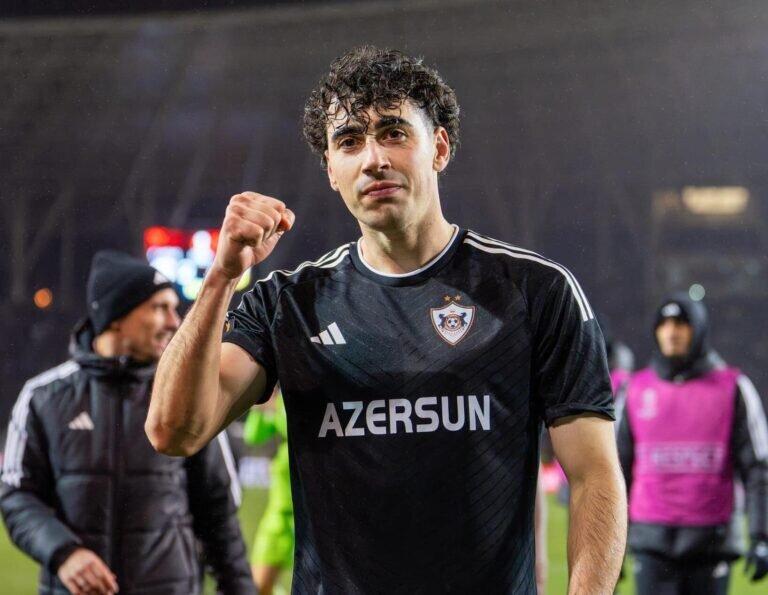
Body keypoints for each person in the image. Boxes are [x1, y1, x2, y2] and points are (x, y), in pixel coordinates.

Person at [146, 46, 627, 593]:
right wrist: (221, 277)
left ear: (439, 147)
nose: (373, 158)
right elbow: (174, 430)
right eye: (349, 141)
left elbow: (594, 476)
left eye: (394, 133)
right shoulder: (288, 303)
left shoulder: (535, 291)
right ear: (332, 170)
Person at [1, 251, 255, 595]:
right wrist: (64, 553)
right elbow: (17, 495)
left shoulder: (184, 399)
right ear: (116, 316)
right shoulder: (43, 398)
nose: (174, 321)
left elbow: (219, 515)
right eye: (159, 308)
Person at [616, 293, 768, 595]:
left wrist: (761, 536)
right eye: (664, 324)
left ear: (698, 329)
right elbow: (616, 472)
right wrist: (610, 544)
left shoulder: (733, 388)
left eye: (681, 324)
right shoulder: (634, 390)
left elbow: (758, 470)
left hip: (710, 543)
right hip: (650, 544)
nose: (671, 332)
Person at [243, 387, 293, 595]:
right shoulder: (279, 401)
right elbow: (253, 436)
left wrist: (276, 410)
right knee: (259, 586)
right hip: (278, 515)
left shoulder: (291, 401)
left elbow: (299, 429)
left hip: (307, 516)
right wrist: (261, 408)